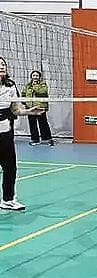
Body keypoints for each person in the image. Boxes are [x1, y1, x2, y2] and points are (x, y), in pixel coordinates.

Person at [0, 57, 44, 211]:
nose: (1, 67)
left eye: (3, 64)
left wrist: (30, 112)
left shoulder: (10, 86)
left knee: (10, 167)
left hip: (5, 132)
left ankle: (8, 200)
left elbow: (15, 110)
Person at [22, 70, 54, 147]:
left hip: (40, 108)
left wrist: (34, 85)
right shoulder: (27, 85)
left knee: (43, 123)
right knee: (32, 124)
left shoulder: (43, 84)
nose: (35, 77)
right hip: (31, 108)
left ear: (39, 77)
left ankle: (47, 139)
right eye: (33, 75)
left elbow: (42, 91)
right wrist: (25, 102)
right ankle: (34, 139)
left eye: (37, 75)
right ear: (31, 77)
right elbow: (23, 93)